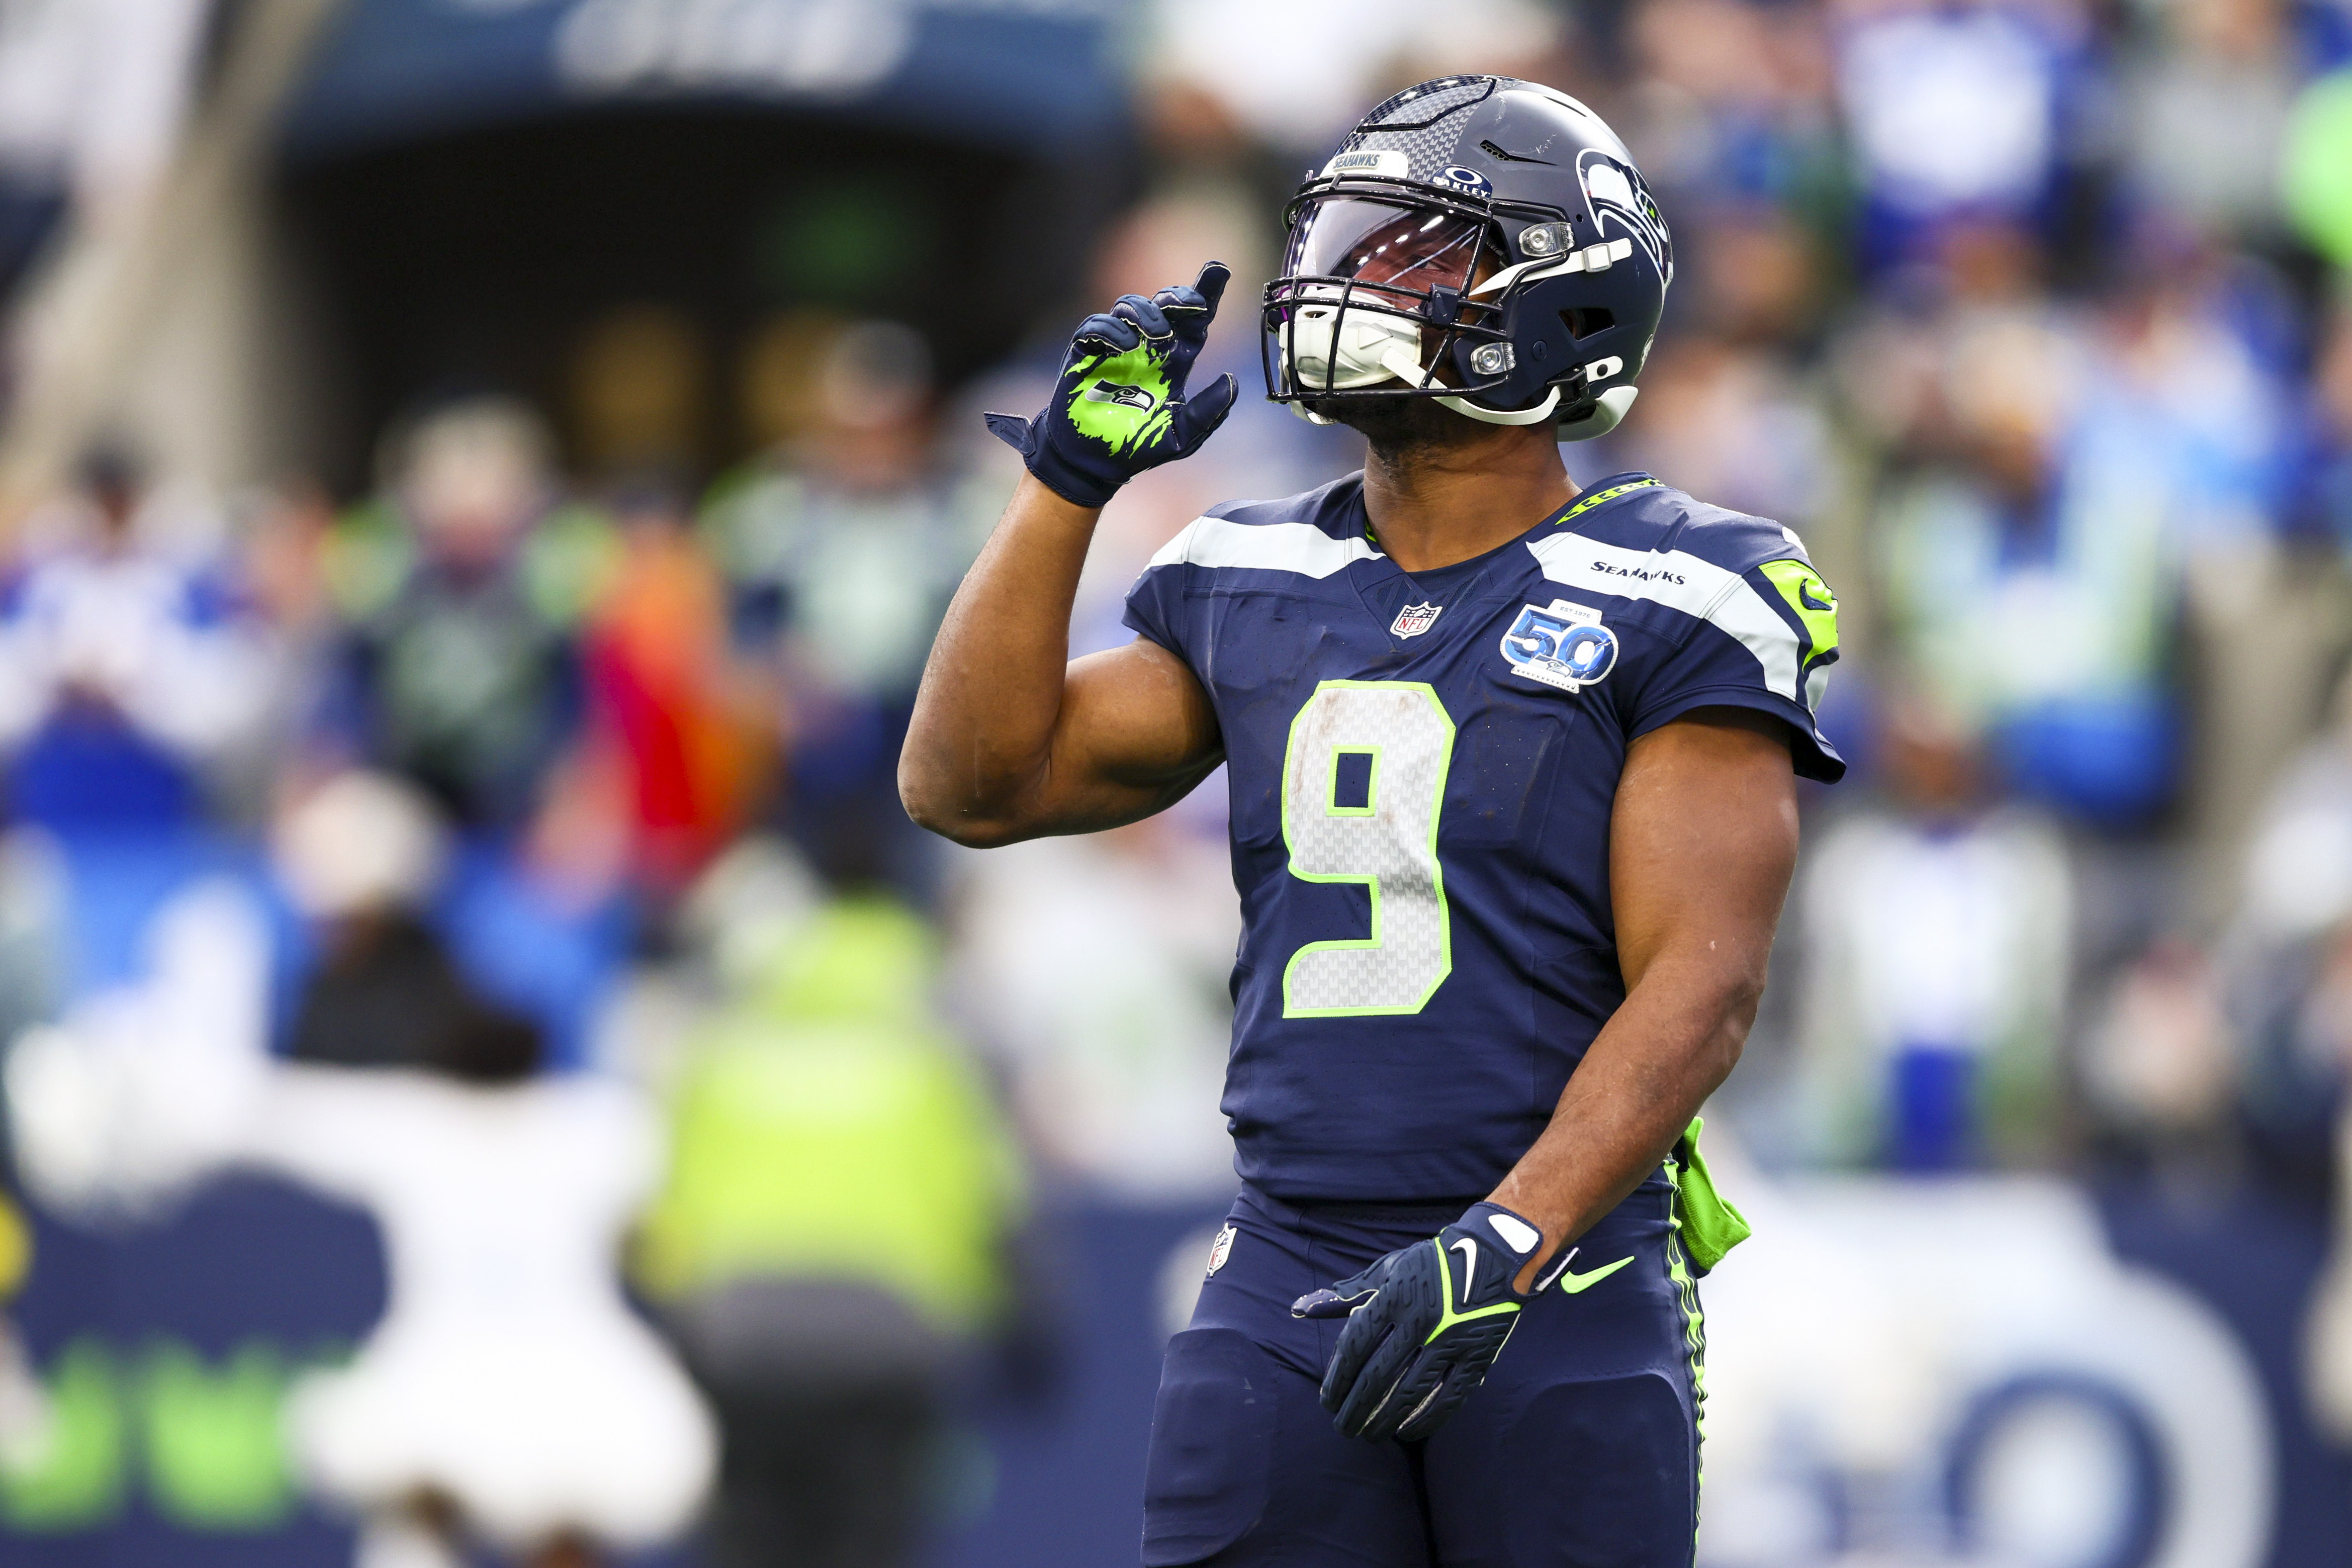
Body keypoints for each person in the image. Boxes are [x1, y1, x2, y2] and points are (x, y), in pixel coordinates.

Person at [900, 76, 1842, 1564]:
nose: (1350, 281)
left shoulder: (1680, 581)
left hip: (1560, 1275)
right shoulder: (1253, 565)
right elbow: (970, 782)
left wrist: (1511, 1238)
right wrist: (1065, 492)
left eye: (1417, 253)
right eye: (1348, 240)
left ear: (1570, 308)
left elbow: (1705, 982)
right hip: (1286, 1265)